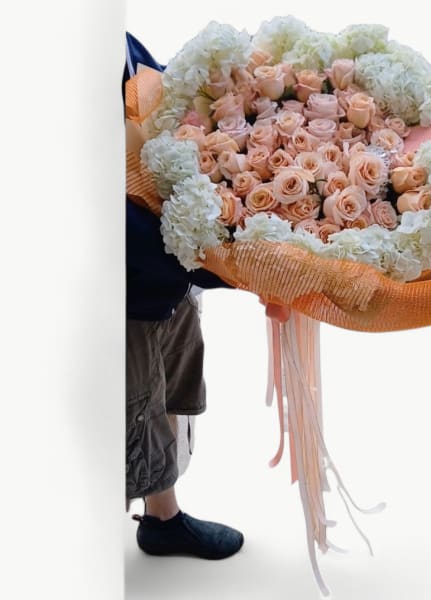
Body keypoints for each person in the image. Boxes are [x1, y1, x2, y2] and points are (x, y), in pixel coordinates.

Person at [124, 32, 244, 560]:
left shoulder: (118, 40)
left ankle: (163, 519)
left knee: (168, 390)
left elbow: (164, 99)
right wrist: (219, 262)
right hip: (124, 281)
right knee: (126, 411)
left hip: (163, 280)